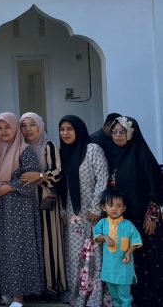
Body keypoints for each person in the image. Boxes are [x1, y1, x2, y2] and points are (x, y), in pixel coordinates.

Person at [0, 113, 45, 307]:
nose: (3, 131)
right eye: (0, 128)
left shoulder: (25, 150)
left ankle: (18, 296)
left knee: (17, 249)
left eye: (8, 127)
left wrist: (8, 187)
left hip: (19, 209)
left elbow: (31, 180)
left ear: (15, 129)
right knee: (2, 248)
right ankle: (7, 291)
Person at [104, 116, 162, 306]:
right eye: (114, 132)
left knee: (147, 263)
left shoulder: (143, 156)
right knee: (126, 263)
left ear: (131, 133)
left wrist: (152, 216)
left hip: (143, 220)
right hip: (122, 221)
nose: (118, 136)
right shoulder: (113, 155)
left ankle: (150, 300)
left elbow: (156, 188)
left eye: (122, 132)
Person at [57, 115, 108, 307]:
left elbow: (102, 179)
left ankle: (93, 297)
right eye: (62, 129)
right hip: (72, 214)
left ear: (79, 129)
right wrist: (63, 211)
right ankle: (76, 294)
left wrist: (96, 207)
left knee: (94, 254)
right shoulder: (64, 152)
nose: (65, 133)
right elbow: (61, 187)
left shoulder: (92, 150)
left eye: (70, 129)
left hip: (92, 213)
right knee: (74, 255)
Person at [19, 112, 67, 297]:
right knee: (31, 243)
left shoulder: (49, 146)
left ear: (40, 126)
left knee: (49, 242)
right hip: (24, 204)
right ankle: (34, 285)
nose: (28, 129)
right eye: (23, 125)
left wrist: (39, 177)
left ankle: (52, 285)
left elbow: (57, 173)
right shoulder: (20, 147)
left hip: (46, 201)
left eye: (32, 124)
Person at [93, 189, 143, 307]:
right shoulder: (102, 223)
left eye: (118, 206)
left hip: (124, 270)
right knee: (115, 298)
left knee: (125, 298)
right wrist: (105, 237)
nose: (114, 209)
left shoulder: (128, 225)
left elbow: (135, 241)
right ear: (104, 207)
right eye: (110, 205)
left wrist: (129, 252)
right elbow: (96, 237)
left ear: (124, 208)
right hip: (109, 270)